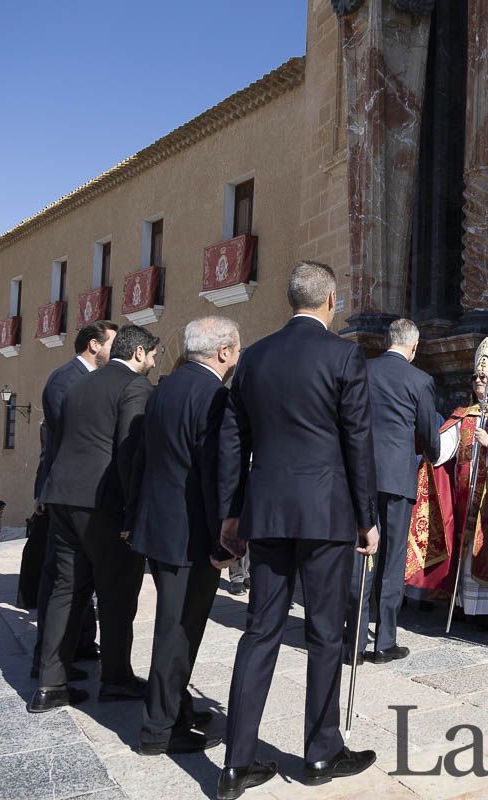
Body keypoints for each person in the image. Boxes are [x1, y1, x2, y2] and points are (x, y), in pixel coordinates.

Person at [216, 261, 379, 798]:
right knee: (324, 632)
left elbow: (234, 442)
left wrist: (233, 511)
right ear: (330, 300)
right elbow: (358, 440)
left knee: (260, 630)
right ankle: (320, 752)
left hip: (267, 509)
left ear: (292, 300)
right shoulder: (344, 354)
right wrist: (367, 517)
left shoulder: (255, 357)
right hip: (327, 512)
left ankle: (237, 761)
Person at [126, 317, 240, 755]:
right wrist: (222, 541)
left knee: (177, 626)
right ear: (223, 352)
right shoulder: (214, 396)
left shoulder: (164, 387)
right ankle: (159, 730)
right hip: (189, 536)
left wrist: (133, 516)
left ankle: (177, 707)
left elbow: (141, 457)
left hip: (159, 528)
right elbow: (217, 475)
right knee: (177, 631)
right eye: (236, 348)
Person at [29, 324, 157, 714]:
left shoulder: (80, 382)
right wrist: (132, 513)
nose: (153, 363)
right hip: (103, 505)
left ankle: (50, 683)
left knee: (66, 589)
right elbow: (129, 454)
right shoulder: (135, 387)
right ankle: (116, 678)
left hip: (63, 498)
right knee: (118, 594)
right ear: (138, 353)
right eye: (152, 355)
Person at [406, 338, 488, 630]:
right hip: (465, 495)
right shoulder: (465, 414)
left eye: (484, 378)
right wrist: (429, 447)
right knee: (463, 545)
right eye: (475, 377)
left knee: (487, 547)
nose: (478, 383)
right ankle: (462, 604)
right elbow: (443, 448)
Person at [343, 319, 439, 665]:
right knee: (391, 560)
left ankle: (351, 640)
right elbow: (429, 433)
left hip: (360, 474)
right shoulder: (420, 380)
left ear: (387, 341)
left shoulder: (362, 371)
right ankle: (384, 641)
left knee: (360, 554)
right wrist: (432, 452)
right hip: (398, 478)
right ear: (414, 346)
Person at [30, 321, 117, 676]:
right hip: (68, 492)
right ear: (95, 345)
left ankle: (77, 647)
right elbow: (67, 438)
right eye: (113, 342)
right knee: (60, 579)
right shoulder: (66, 379)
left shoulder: (82, 377)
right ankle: (47, 661)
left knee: (78, 577)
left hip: (75, 491)